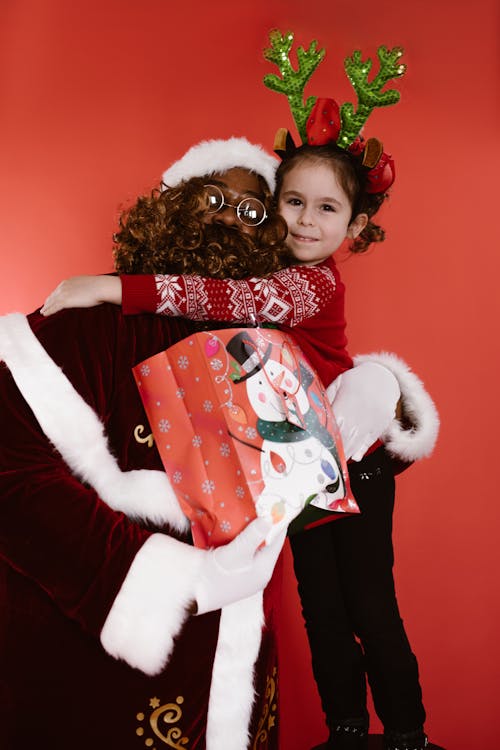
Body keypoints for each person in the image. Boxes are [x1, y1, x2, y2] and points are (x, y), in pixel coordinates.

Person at [39, 137, 440, 750]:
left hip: (354, 462)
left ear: (355, 224)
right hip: (300, 464)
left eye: (327, 209)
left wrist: (114, 287)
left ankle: (409, 735)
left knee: (369, 606)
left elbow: (235, 302)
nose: (306, 220)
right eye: (293, 202)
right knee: (321, 610)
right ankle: (348, 733)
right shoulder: (263, 266)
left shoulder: (312, 283)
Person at [0, 138, 312, 750]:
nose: (230, 218)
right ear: (172, 207)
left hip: (232, 664)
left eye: (253, 211)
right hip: (96, 667)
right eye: (214, 197)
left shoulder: (271, 350)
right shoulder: (90, 320)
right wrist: (173, 584)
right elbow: (10, 468)